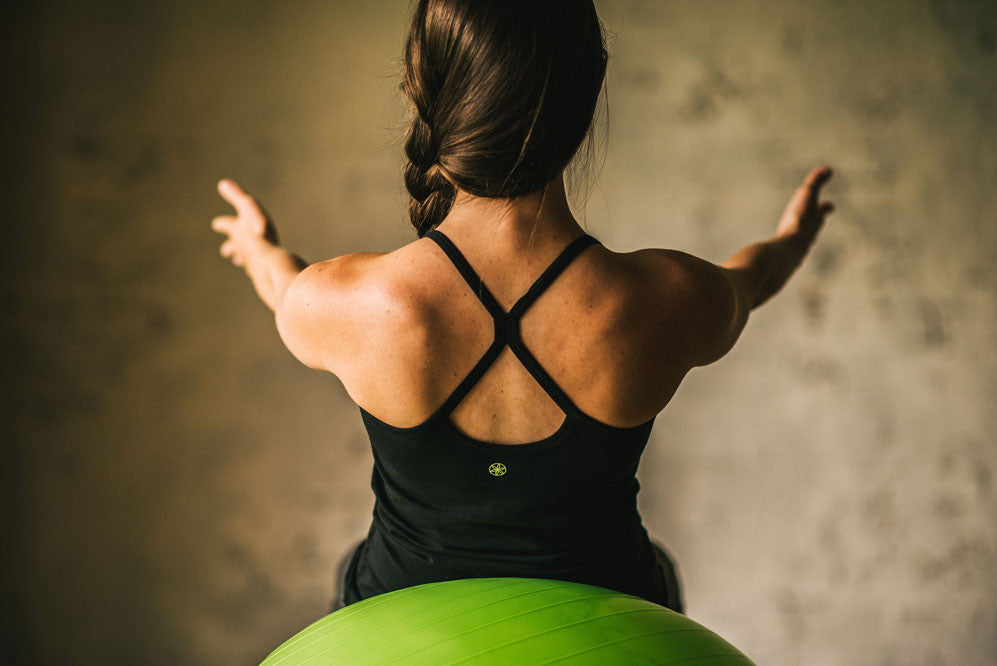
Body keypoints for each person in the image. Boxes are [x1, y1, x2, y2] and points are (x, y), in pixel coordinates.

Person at [210, 0, 834, 616]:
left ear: (422, 91)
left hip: (399, 630)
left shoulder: (349, 302)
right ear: (584, 108)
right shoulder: (664, 300)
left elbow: (284, 287)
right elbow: (750, 280)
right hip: (613, 635)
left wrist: (258, 247)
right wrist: (792, 240)